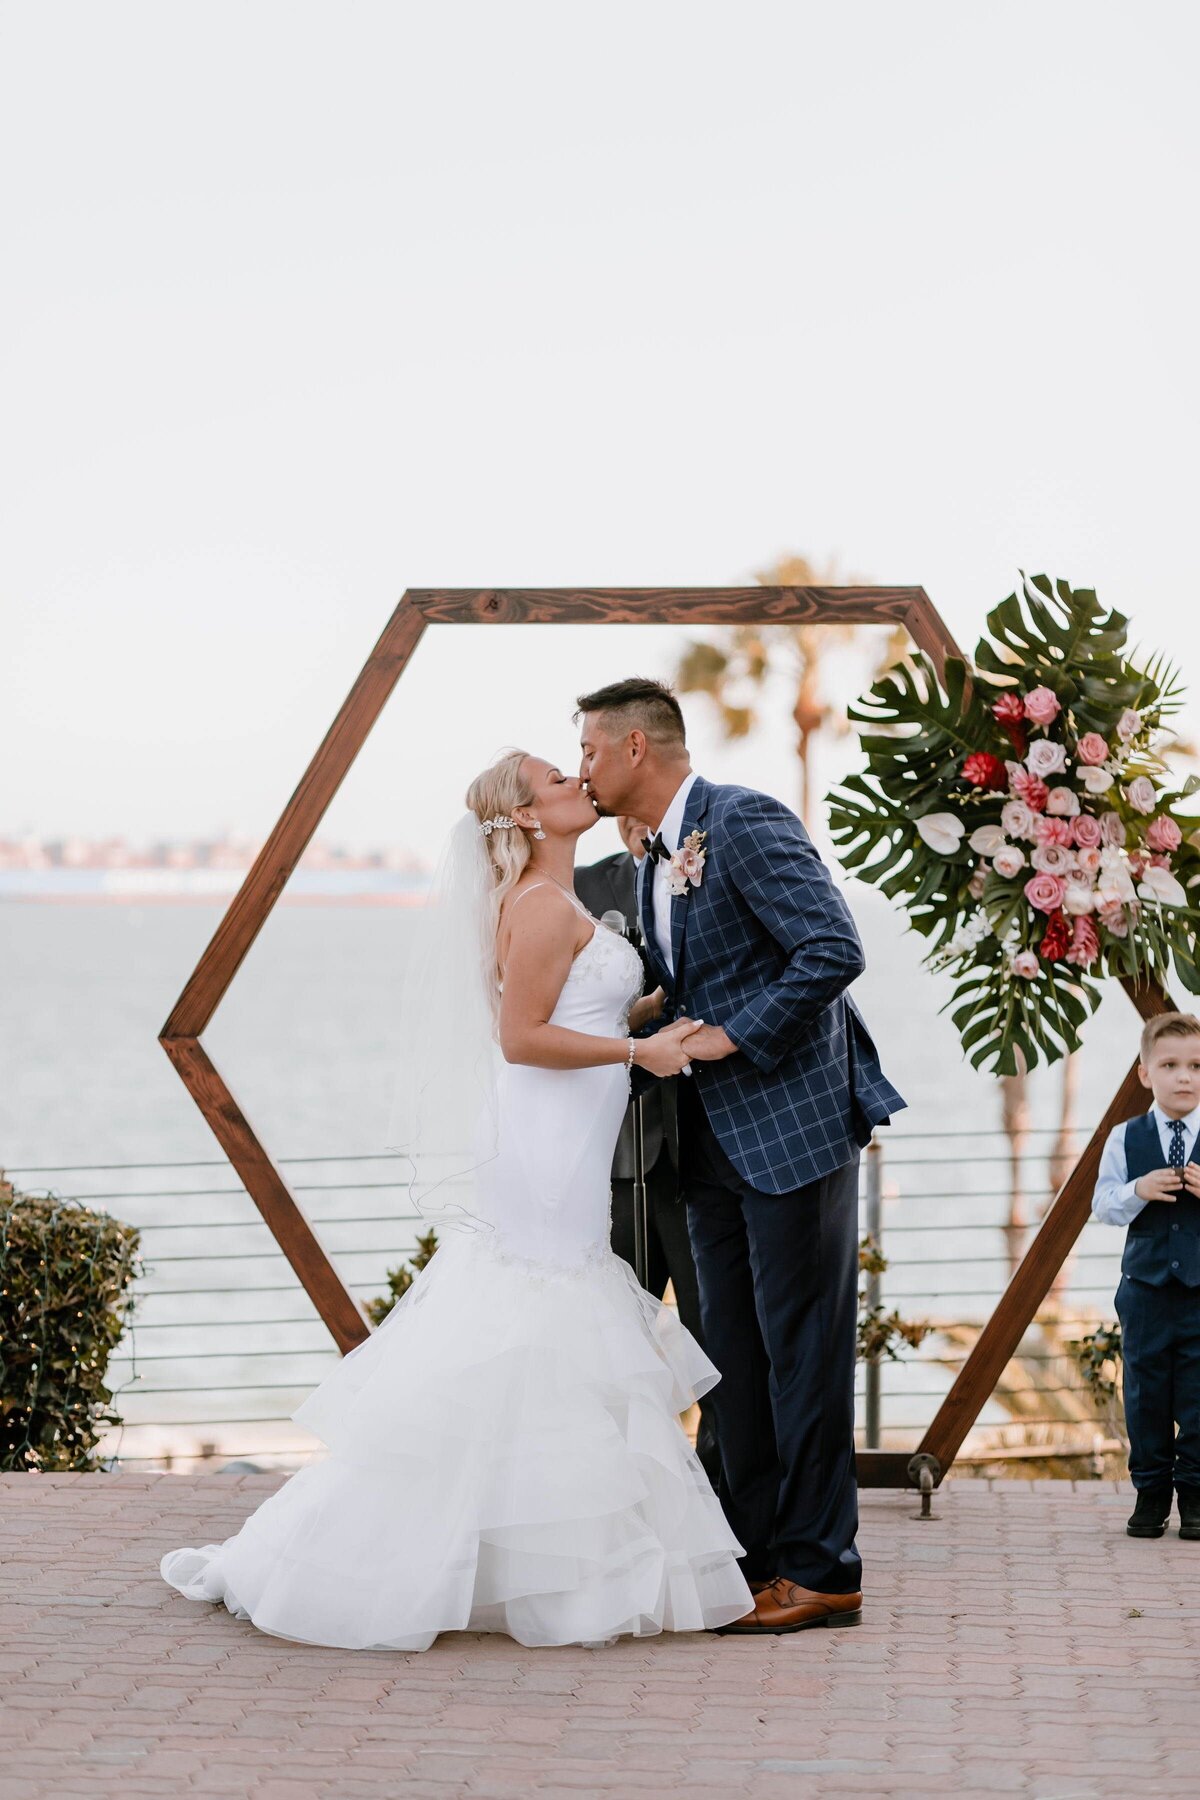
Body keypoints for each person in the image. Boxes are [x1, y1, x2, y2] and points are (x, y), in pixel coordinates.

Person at [160, 750, 753, 1650]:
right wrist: (642, 1055)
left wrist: (647, 1020)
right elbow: (521, 1039)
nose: (576, 783)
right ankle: (412, 1558)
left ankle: (526, 1562)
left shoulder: (549, 905)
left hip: (564, 1135)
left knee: (541, 1326)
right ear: (522, 817)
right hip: (540, 1144)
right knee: (534, 1313)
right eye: (557, 779)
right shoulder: (541, 907)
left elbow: (572, 1016)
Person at [578, 677, 905, 1635]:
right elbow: (692, 981)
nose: (584, 768)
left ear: (637, 747)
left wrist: (728, 1034)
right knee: (734, 1357)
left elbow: (831, 949)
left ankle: (822, 1569)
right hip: (705, 1141)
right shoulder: (646, 862)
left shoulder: (746, 820)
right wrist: (643, 1026)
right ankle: (752, 1559)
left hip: (791, 1128)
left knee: (802, 1350)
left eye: (591, 751)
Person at [575, 813, 720, 1485]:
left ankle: (718, 1495)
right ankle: (616, 1488)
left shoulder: (717, 873)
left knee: (716, 1342)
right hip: (615, 1162)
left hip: (705, 1153)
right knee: (610, 1344)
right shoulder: (578, 887)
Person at [1091, 1011, 1200, 1541]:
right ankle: (1150, 1495)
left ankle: (1197, 1496)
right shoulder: (1125, 1137)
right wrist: (1138, 1190)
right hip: (1145, 1292)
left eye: (1197, 1066)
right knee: (1146, 1396)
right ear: (1145, 1074)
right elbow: (1103, 1205)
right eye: (1171, 1065)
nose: (1185, 1077)